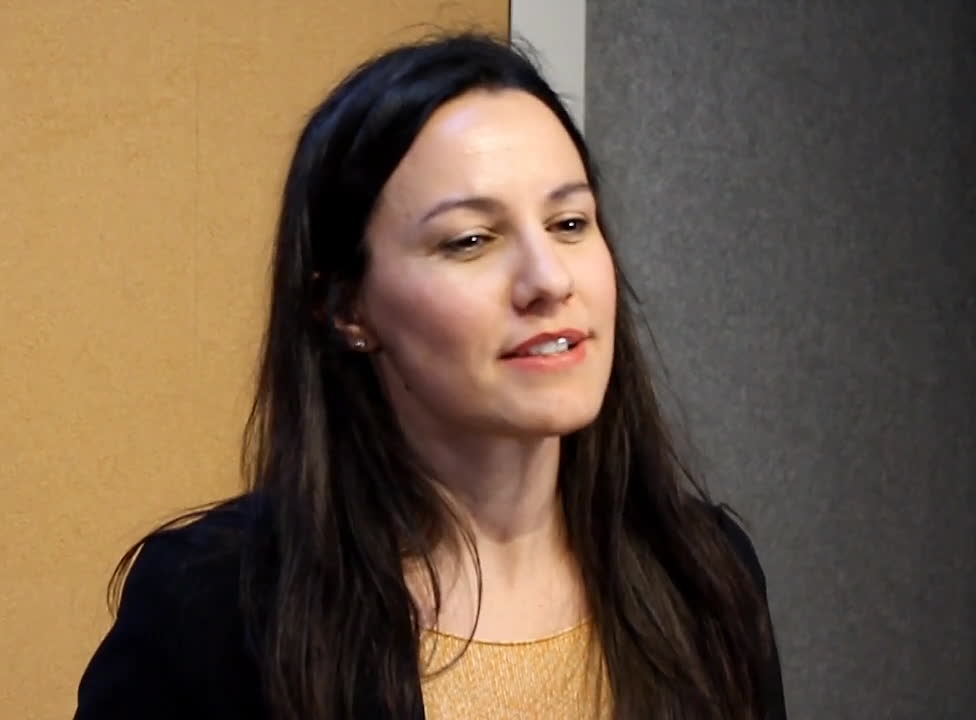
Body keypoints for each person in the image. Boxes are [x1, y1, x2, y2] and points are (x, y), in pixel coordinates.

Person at [73, 32, 786, 720]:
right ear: (346, 307)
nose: (548, 279)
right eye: (471, 240)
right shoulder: (213, 607)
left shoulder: (702, 574)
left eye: (569, 223)